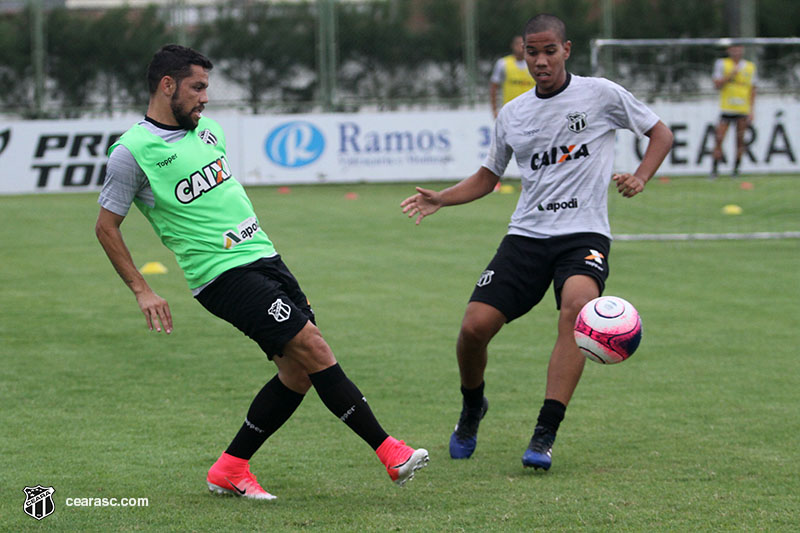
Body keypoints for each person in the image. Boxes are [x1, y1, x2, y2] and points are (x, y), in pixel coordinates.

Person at [95, 44, 428, 500]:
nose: (205, 98)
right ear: (167, 85)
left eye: (206, 88)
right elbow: (106, 227)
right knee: (314, 346)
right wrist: (142, 289)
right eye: (197, 87)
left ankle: (229, 468)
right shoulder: (132, 153)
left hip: (266, 259)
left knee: (298, 373)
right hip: (221, 276)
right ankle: (391, 451)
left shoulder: (209, 131)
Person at [401, 14, 673, 471]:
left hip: (584, 234)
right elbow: (490, 177)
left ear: (567, 49)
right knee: (473, 329)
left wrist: (641, 176)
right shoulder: (514, 113)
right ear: (521, 54)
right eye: (533, 52)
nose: (541, 61)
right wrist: (442, 199)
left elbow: (660, 133)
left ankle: (545, 432)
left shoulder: (600, 94)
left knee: (576, 310)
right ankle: (472, 406)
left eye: (550, 51)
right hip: (527, 236)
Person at [710, 44, 756, 178]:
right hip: (727, 108)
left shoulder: (750, 66)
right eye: (733, 48)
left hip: (742, 109)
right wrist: (730, 75)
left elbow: (753, 89)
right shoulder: (722, 64)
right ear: (729, 50)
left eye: (739, 48)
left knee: (740, 140)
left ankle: (736, 170)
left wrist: (752, 110)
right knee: (719, 139)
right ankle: (714, 170)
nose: (736, 51)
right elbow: (716, 84)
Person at [489, 35, 536, 118]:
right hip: (510, 112)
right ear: (512, 46)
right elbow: (494, 87)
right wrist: (494, 110)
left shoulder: (534, 63)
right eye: (517, 44)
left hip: (531, 111)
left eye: (523, 44)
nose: (520, 47)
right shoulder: (503, 63)